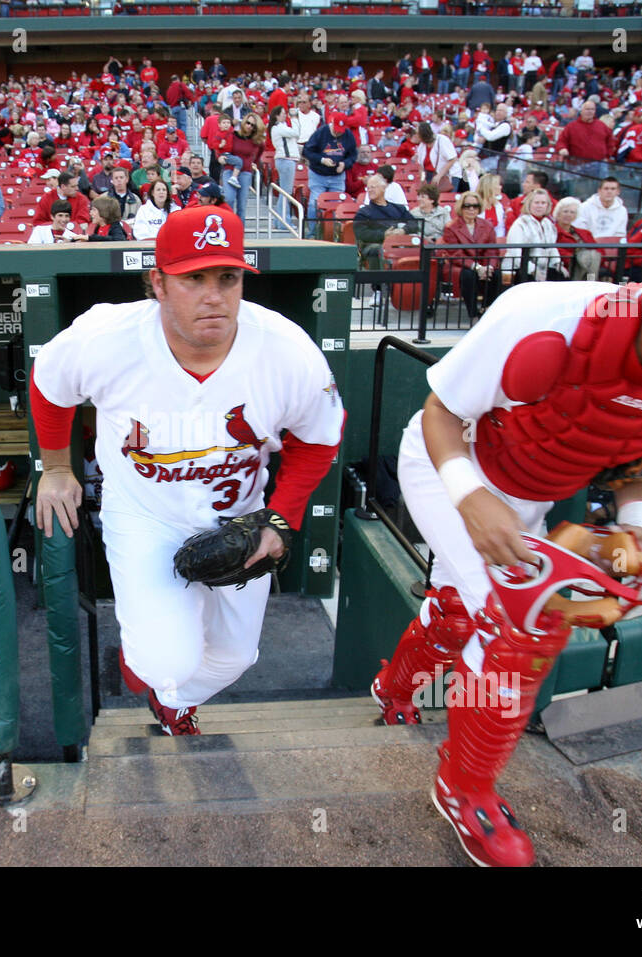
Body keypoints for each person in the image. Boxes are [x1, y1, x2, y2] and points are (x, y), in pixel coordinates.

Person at [369, 219, 642, 866]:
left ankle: (394, 689)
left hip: (534, 491)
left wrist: (639, 530)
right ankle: (464, 787)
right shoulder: (546, 313)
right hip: (452, 465)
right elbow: (442, 414)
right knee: (515, 626)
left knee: (464, 606)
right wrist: (472, 498)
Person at [30, 205, 344, 735]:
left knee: (236, 657)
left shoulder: (287, 351)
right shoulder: (107, 336)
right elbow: (48, 385)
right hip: (146, 518)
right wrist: (57, 468)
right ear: (158, 282)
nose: (214, 294)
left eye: (228, 277)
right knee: (164, 664)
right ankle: (153, 670)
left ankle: (173, 703)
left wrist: (279, 519)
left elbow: (320, 439)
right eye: (193, 278)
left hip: (239, 517)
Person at [439, 190, 501, 321]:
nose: (471, 209)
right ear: (461, 207)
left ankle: (486, 309)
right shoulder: (451, 227)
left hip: (482, 264)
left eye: (475, 206)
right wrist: (476, 267)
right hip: (460, 264)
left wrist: (489, 267)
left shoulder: (487, 225)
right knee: (469, 275)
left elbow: (492, 251)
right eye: (467, 206)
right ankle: (473, 314)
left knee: (495, 274)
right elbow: (455, 253)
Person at [301, 109, 357, 238]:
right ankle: (312, 233)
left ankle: (334, 234)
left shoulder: (347, 134)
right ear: (332, 123)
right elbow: (307, 151)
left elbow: (353, 155)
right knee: (314, 203)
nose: (338, 133)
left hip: (337, 176)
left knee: (337, 205)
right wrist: (322, 160)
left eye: (340, 130)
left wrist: (345, 164)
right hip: (318, 174)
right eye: (336, 129)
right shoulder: (321, 132)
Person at [504, 188, 567, 284]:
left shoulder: (548, 224)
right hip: (521, 269)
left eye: (543, 203)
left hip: (543, 269)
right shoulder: (520, 223)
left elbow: (552, 248)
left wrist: (558, 264)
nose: (540, 206)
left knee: (563, 278)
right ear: (529, 204)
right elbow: (516, 254)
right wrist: (533, 270)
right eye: (536, 202)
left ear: (547, 205)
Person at [352, 172, 411, 266]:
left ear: (384, 188)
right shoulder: (363, 212)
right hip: (373, 246)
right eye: (368, 188)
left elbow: (415, 224)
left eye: (373, 187)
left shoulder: (399, 209)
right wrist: (383, 235)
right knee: (378, 250)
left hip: (398, 242)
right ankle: (378, 280)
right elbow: (361, 233)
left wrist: (403, 230)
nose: (370, 190)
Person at [556, 100, 612, 181]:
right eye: (587, 109)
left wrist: (607, 156)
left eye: (592, 109)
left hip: (598, 165)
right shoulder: (571, 126)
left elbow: (610, 142)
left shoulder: (602, 126)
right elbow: (561, 141)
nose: (590, 111)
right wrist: (562, 148)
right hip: (575, 165)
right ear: (581, 111)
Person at [552, 196, 601, 282]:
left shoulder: (585, 233)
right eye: (565, 211)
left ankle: (591, 282)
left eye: (572, 212)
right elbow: (552, 248)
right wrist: (573, 255)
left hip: (586, 264)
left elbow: (597, 250)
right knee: (587, 257)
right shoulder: (552, 230)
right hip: (566, 264)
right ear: (558, 213)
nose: (568, 215)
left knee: (593, 255)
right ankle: (590, 282)